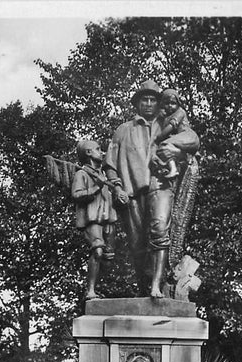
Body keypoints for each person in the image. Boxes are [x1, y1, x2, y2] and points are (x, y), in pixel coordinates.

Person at [104, 79, 199, 298]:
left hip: (160, 185)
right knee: (137, 245)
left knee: (159, 232)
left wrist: (175, 151)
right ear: (136, 104)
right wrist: (117, 187)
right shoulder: (123, 130)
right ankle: (144, 288)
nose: (148, 104)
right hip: (132, 192)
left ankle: (157, 285)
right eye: (143, 99)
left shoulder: (168, 124)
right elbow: (110, 165)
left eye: (152, 99)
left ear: (159, 103)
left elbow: (193, 140)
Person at [71, 140, 119, 300]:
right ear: (88, 153)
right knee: (97, 251)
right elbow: (77, 195)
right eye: (98, 149)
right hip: (93, 220)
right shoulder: (82, 174)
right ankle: (90, 291)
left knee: (108, 258)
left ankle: (99, 288)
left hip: (108, 219)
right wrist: (96, 187)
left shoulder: (103, 175)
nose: (102, 152)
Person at [154, 88, 190, 180]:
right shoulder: (167, 115)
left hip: (184, 137)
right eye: (167, 103)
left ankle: (173, 169)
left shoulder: (180, 112)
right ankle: (170, 167)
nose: (170, 106)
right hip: (177, 138)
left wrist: (159, 137)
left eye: (173, 103)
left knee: (163, 146)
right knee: (165, 149)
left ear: (178, 104)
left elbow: (171, 127)